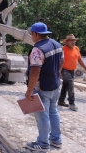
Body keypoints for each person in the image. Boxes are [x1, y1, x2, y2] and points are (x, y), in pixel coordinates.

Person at [25, 22, 63, 151]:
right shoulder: (57, 44)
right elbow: (62, 61)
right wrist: (56, 73)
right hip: (55, 85)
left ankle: (42, 143)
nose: (31, 36)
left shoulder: (38, 49)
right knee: (53, 112)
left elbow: (35, 71)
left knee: (42, 115)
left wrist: (29, 91)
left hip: (42, 87)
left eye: (31, 34)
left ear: (35, 34)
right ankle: (56, 140)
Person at [58, 34, 86, 111]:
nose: (73, 42)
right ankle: (72, 103)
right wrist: (59, 70)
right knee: (70, 85)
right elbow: (59, 60)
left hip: (72, 70)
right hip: (64, 69)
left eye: (74, 41)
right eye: (71, 41)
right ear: (67, 42)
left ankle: (61, 100)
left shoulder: (76, 49)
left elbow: (79, 59)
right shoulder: (63, 49)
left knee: (66, 85)